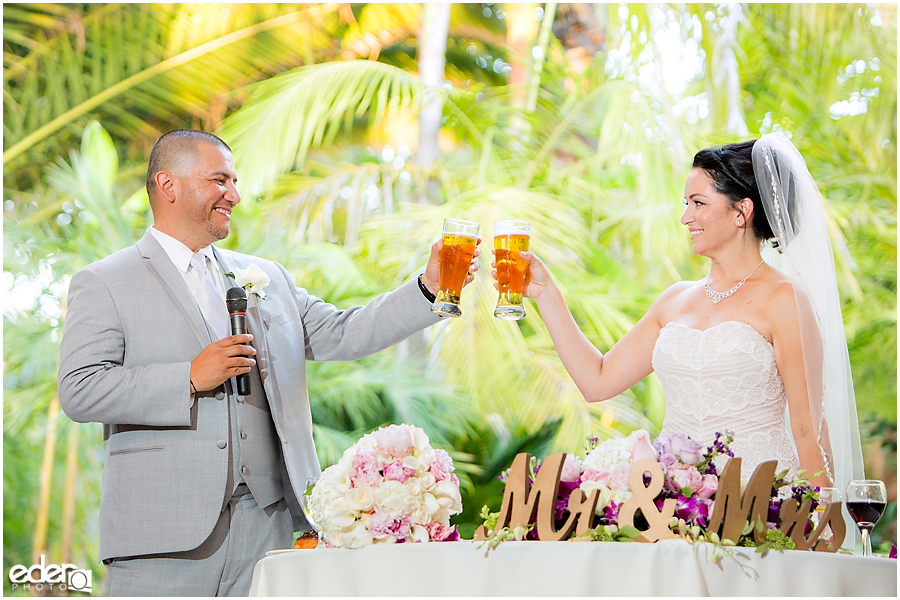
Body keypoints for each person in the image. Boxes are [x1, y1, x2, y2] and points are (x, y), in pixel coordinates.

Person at [57, 129, 478, 596]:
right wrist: (189, 378)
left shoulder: (266, 277)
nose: (234, 195)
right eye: (220, 181)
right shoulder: (105, 281)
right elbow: (80, 388)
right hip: (162, 533)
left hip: (270, 529)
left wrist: (427, 285)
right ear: (168, 184)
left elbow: (344, 333)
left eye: (234, 181)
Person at [495, 133, 862, 496]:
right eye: (686, 203)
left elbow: (807, 428)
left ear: (742, 211)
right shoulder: (674, 299)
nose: (686, 217)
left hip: (760, 508)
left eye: (699, 203)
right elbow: (597, 381)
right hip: (676, 509)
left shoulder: (785, 298)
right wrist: (546, 294)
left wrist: (818, 524)